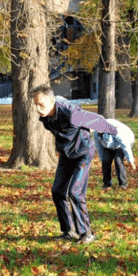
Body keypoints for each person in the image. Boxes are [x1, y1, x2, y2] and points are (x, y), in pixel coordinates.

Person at [31, 85, 117, 245]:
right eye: (35, 104)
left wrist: (114, 132)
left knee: (75, 193)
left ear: (52, 101)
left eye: (41, 105)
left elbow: (98, 120)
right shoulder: (45, 117)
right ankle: (68, 231)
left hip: (83, 154)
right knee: (58, 191)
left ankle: (86, 233)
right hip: (66, 154)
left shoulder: (71, 114)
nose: (38, 109)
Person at [93, 118, 137, 190]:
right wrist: (102, 159)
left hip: (122, 143)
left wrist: (130, 161)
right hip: (107, 145)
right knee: (106, 160)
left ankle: (123, 184)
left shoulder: (116, 129)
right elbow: (98, 147)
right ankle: (107, 184)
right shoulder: (96, 132)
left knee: (118, 160)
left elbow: (125, 145)